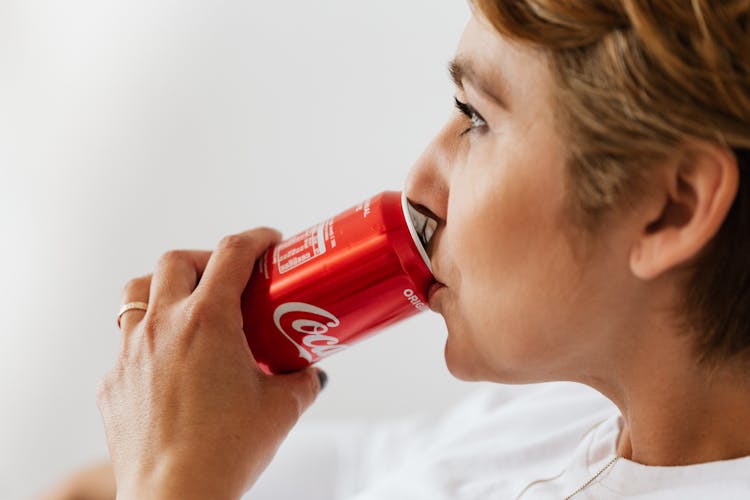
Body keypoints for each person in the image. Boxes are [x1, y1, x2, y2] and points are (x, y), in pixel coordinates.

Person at [39, 0, 750, 498]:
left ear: (672, 207)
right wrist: (170, 447)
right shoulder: (554, 417)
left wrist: (172, 479)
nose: (416, 181)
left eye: (476, 119)